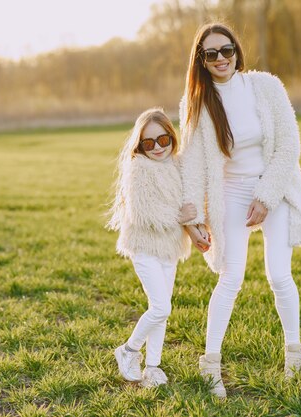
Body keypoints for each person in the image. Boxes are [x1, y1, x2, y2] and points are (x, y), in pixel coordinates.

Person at [178, 23, 301, 397]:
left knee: (279, 276)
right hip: (230, 194)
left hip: (275, 187)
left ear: (237, 51)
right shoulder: (198, 102)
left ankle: (294, 356)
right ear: (201, 61)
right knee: (231, 277)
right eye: (211, 54)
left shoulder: (267, 87)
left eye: (227, 50)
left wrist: (266, 196)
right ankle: (210, 365)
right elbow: (191, 163)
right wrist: (193, 220)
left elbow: (289, 147)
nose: (221, 59)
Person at [107, 108, 195, 388]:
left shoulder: (177, 166)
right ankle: (129, 350)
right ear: (140, 146)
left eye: (163, 140)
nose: (157, 147)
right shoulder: (138, 169)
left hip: (168, 247)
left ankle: (153, 366)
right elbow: (146, 213)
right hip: (144, 247)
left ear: (172, 137)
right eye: (149, 143)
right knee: (160, 307)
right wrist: (181, 216)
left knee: (161, 308)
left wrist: (195, 225)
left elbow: (188, 200)